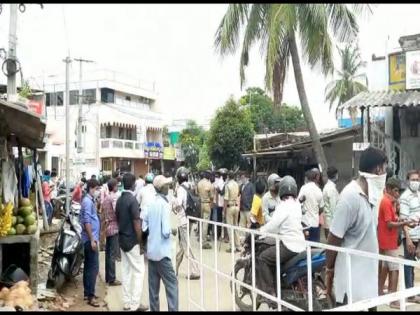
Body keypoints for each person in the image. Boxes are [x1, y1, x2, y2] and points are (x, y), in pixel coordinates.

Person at [325, 146, 388, 308]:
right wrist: (329, 270)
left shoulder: (374, 196)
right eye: (384, 169)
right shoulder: (350, 197)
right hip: (351, 283)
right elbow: (334, 238)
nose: (385, 174)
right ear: (378, 169)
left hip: (368, 280)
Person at [256, 176, 306, 298]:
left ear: (281, 189)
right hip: (301, 244)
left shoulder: (282, 206)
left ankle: (270, 294)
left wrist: (260, 231)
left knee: (263, 258)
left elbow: (273, 225)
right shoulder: (296, 205)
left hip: (289, 246)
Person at [143, 175, 179, 312]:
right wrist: (172, 231)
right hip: (163, 253)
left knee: (153, 290)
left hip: (152, 252)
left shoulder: (150, 204)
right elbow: (165, 231)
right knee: (172, 286)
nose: (168, 188)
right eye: (167, 185)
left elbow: (144, 225)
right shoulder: (164, 205)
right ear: (162, 188)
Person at [378, 177, 414, 308]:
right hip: (388, 240)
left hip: (388, 240)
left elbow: (393, 219)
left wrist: (402, 221)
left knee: (386, 268)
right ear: (388, 189)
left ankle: (380, 292)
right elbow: (389, 224)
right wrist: (403, 223)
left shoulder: (390, 202)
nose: (398, 194)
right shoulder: (386, 202)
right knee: (395, 270)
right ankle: (393, 300)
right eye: (396, 191)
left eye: (398, 191)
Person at [115, 173, 148, 312]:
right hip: (133, 241)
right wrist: (141, 244)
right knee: (139, 271)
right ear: (133, 184)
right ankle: (135, 304)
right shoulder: (133, 201)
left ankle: (127, 303)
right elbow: (137, 223)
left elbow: (117, 219)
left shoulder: (119, 200)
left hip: (122, 240)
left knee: (126, 271)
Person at [172, 171, 200, 279]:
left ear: (178, 179)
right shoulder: (191, 187)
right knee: (182, 245)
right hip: (190, 219)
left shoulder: (180, 189)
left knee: (186, 246)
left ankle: (195, 270)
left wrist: (173, 204)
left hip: (182, 220)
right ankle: (175, 269)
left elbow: (179, 203)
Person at [399, 169, 420, 302]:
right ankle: (410, 294)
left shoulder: (419, 195)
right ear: (408, 181)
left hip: (419, 235)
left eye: (417, 180)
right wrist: (408, 240)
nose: (415, 182)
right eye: (413, 180)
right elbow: (403, 220)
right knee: (409, 264)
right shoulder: (404, 197)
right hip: (410, 237)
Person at [80, 179, 101, 307]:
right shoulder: (87, 201)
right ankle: (91, 296)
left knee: (88, 266)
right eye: (97, 189)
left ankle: (87, 292)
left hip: (89, 238)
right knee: (93, 267)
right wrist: (92, 238)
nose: (98, 191)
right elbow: (86, 221)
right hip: (90, 239)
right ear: (92, 188)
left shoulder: (89, 200)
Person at [102, 179, 121, 287]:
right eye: (117, 185)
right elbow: (116, 210)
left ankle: (108, 277)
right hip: (114, 227)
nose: (118, 187)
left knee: (108, 254)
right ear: (113, 187)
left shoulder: (106, 198)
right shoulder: (114, 197)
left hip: (107, 227)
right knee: (112, 254)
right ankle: (112, 278)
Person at [299, 168, 324, 242]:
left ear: (307, 178)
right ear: (315, 178)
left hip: (305, 223)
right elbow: (321, 207)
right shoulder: (318, 190)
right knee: (315, 245)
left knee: (305, 245)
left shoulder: (303, 188)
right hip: (315, 223)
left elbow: (299, 202)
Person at [224, 170, 240, 252]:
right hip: (236, 206)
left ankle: (232, 246)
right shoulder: (237, 184)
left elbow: (226, 199)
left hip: (230, 207)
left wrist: (224, 210)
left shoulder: (227, 185)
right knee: (236, 226)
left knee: (230, 227)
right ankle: (238, 245)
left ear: (228, 176)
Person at [197, 170, 214, 249]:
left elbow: (196, 193)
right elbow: (211, 197)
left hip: (200, 204)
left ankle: (199, 237)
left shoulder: (199, 183)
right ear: (208, 176)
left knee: (200, 222)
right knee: (205, 223)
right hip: (207, 204)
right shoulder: (210, 184)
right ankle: (204, 242)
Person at [322, 166, 340, 239]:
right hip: (332, 223)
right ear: (336, 175)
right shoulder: (331, 189)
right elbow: (333, 208)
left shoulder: (327, 186)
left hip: (328, 222)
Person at [239, 171, 255, 236]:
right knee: (241, 224)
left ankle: (248, 238)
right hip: (242, 208)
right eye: (241, 178)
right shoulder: (241, 186)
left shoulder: (251, 186)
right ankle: (241, 238)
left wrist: (252, 208)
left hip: (249, 209)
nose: (242, 179)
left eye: (243, 178)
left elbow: (254, 197)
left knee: (249, 224)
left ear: (247, 178)